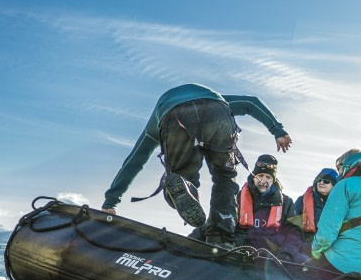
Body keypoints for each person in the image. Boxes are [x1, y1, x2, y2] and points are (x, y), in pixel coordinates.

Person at [100, 84, 291, 248]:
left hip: (173, 116)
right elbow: (252, 102)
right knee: (224, 178)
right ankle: (220, 236)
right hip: (217, 113)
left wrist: (111, 201)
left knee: (181, 177)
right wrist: (278, 130)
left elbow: (134, 161)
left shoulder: (154, 125)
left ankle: (186, 187)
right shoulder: (216, 99)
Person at [308, 149, 361, 279]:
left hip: (341, 264)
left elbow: (326, 233)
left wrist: (315, 251)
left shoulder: (345, 185)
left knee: (302, 271)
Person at [236, 157, 301, 261]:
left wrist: (287, 252)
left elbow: (295, 232)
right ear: (253, 177)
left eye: (268, 177)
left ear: (273, 180)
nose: (263, 180)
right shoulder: (238, 197)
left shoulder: (287, 202)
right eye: (260, 176)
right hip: (241, 249)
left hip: (275, 254)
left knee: (303, 260)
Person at [287, 167, 338, 257]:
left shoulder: (339, 204)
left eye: (326, 181)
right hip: (305, 246)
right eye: (319, 180)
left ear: (333, 185)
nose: (321, 183)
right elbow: (292, 227)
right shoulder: (302, 200)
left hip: (330, 248)